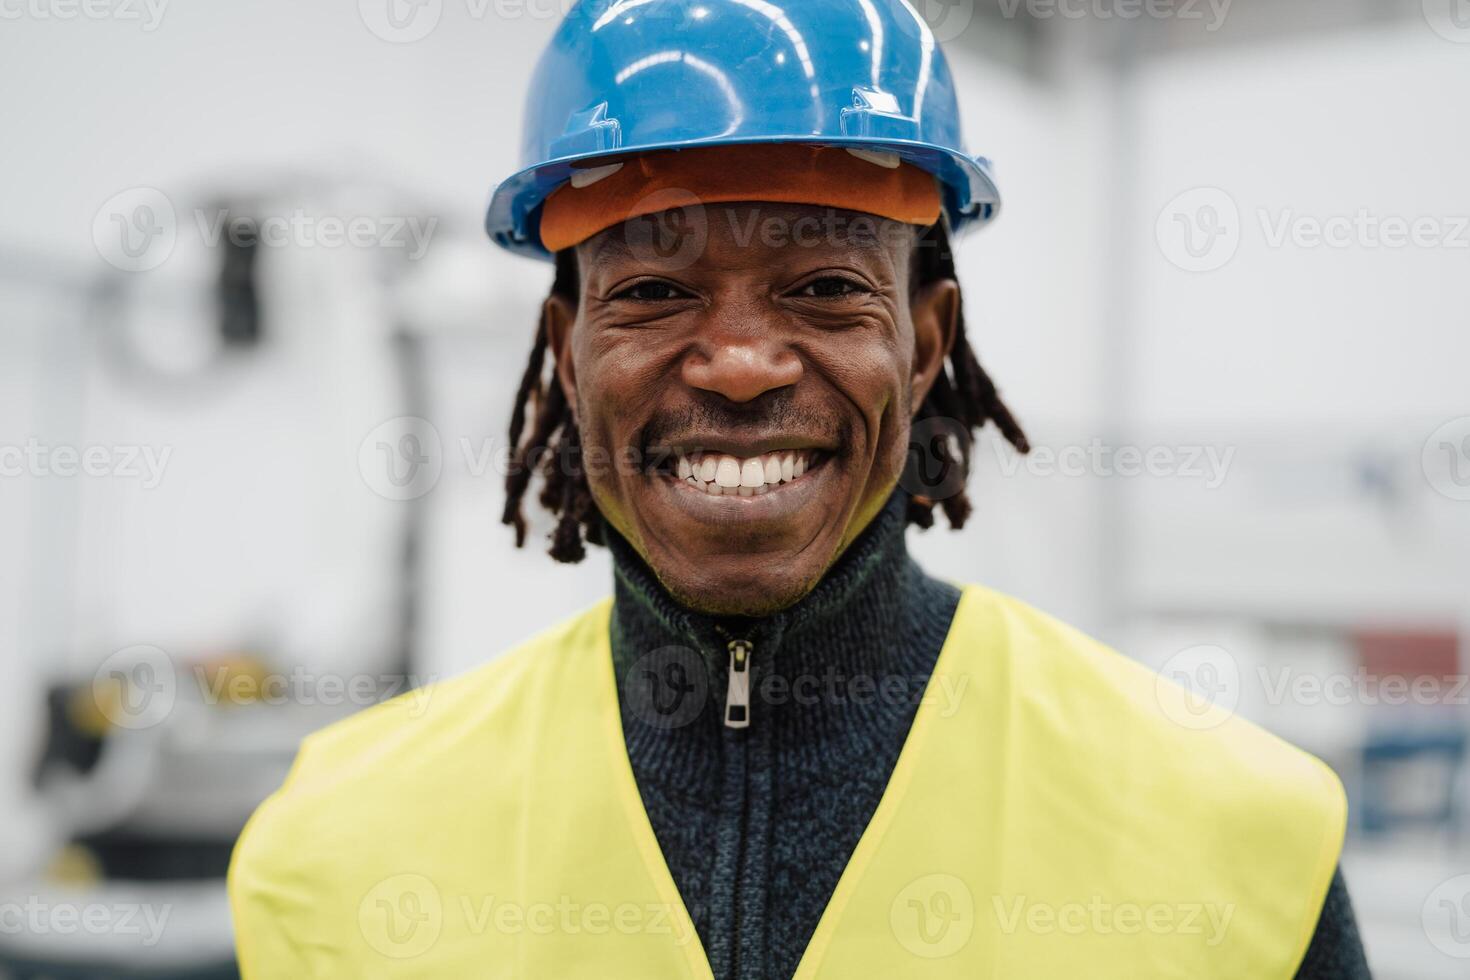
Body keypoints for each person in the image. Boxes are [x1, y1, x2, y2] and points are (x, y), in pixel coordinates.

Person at [229, 1, 1371, 976]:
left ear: (926, 345)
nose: (739, 363)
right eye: (655, 293)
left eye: (824, 286)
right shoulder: (337, 849)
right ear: (568, 352)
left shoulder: (1235, 842)